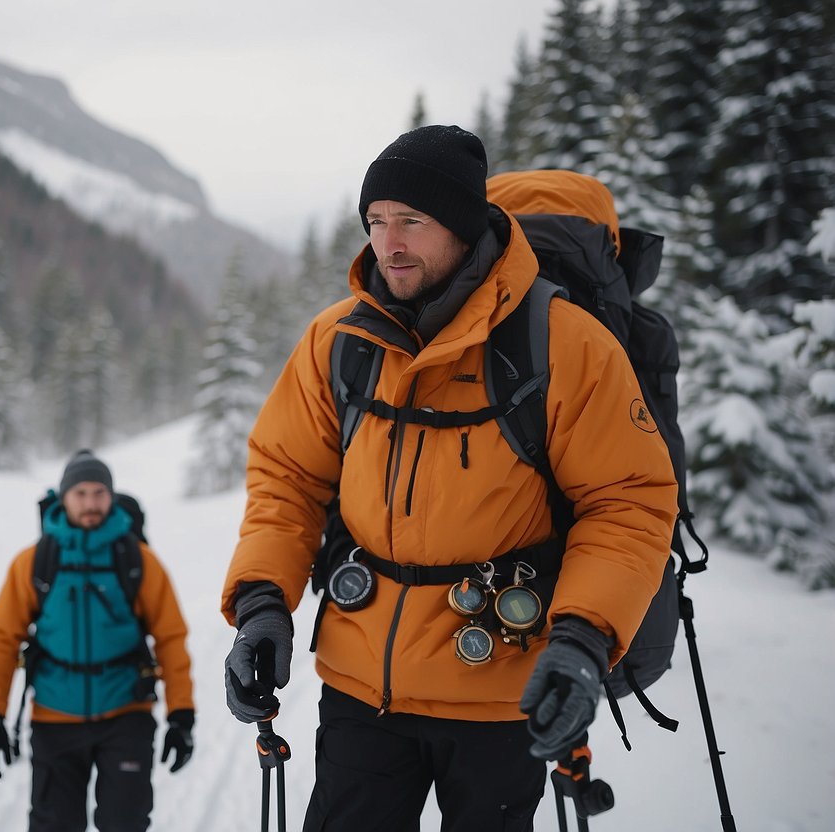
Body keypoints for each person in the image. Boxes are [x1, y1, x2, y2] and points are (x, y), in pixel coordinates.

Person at [221, 125, 677, 831]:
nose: (389, 243)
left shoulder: (564, 342)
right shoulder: (337, 341)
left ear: (464, 228)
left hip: (501, 691)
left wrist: (581, 639)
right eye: (376, 222)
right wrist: (260, 603)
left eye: (412, 221)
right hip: (360, 689)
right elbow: (285, 480)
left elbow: (625, 502)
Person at [0, 449, 195, 832]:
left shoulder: (139, 560)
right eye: (81, 493)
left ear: (111, 497)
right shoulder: (34, 562)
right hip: (54, 718)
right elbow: (2, 639)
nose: (91, 503)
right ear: (64, 497)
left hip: (127, 715)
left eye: (99, 493)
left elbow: (170, 638)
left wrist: (181, 715)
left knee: (124, 824)